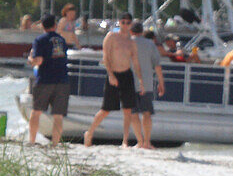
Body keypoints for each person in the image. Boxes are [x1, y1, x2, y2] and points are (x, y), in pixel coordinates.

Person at [83, 14, 144, 147]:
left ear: (131, 24)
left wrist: (140, 80)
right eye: (123, 22)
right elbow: (106, 57)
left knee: (128, 110)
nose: (125, 25)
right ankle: (90, 132)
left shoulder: (131, 42)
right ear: (119, 23)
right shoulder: (111, 36)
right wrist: (111, 75)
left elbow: (135, 62)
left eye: (128, 23)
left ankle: (125, 140)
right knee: (106, 109)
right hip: (114, 74)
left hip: (127, 75)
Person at [26, 14, 69, 147]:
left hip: (45, 79)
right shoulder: (62, 40)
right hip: (62, 80)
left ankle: (31, 141)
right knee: (58, 115)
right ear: (55, 25)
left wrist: (30, 59)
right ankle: (55, 144)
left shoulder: (40, 40)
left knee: (36, 111)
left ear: (42, 26)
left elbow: (38, 60)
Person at [126, 24, 165, 149]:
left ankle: (139, 141)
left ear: (131, 31)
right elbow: (157, 65)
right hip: (147, 83)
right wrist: (161, 82)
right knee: (146, 113)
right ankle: (147, 142)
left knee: (133, 114)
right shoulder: (150, 44)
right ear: (142, 32)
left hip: (130, 83)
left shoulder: (126, 43)